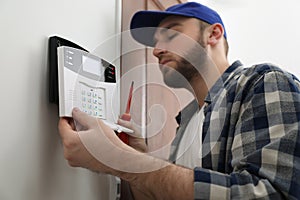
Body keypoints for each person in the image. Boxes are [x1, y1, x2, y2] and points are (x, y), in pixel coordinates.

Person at [58, 2, 300, 199]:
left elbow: (271, 195)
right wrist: (137, 158)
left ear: (213, 34)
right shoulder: (186, 123)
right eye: (154, 41)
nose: (156, 49)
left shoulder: (263, 82)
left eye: (171, 33)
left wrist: (118, 158)